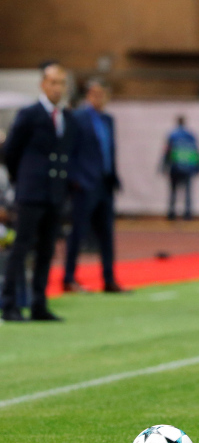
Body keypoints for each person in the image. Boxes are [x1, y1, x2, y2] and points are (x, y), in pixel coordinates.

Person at [1, 62, 79, 322]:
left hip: (55, 192)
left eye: (62, 83)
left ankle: (39, 304)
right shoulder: (29, 114)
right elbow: (11, 151)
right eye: (53, 82)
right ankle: (10, 304)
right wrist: (23, 178)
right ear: (43, 85)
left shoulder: (67, 118)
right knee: (21, 247)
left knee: (46, 249)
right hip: (31, 192)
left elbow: (68, 154)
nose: (58, 88)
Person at [63, 79, 128, 294]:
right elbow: (69, 150)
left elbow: (109, 151)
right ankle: (69, 278)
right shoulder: (78, 118)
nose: (98, 98)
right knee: (78, 232)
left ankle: (109, 279)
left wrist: (113, 176)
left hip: (105, 183)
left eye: (102, 94)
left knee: (107, 234)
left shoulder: (108, 119)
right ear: (88, 95)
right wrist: (75, 179)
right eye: (94, 94)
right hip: (85, 183)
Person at [162, 116, 199, 220]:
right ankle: (188, 213)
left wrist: (164, 166)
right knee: (187, 192)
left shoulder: (173, 135)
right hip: (188, 167)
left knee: (173, 191)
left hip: (175, 167)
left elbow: (167, 151)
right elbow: (196, 151)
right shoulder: (191, 135)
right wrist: (198, 167)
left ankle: (172, 213)